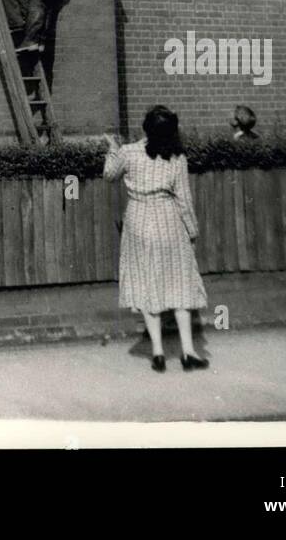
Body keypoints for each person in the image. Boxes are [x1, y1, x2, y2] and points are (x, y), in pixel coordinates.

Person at [101, 105, 208, 373]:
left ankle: (158, 353)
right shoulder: (177, 157)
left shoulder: (129, 153)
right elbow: (184, 200)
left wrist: (113, 147)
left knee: (147, 284)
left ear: (145, 128)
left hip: (138, 222)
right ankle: (188, 352)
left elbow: (108, 175)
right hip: (170, 223)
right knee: (181, 285)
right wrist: (192, 232)